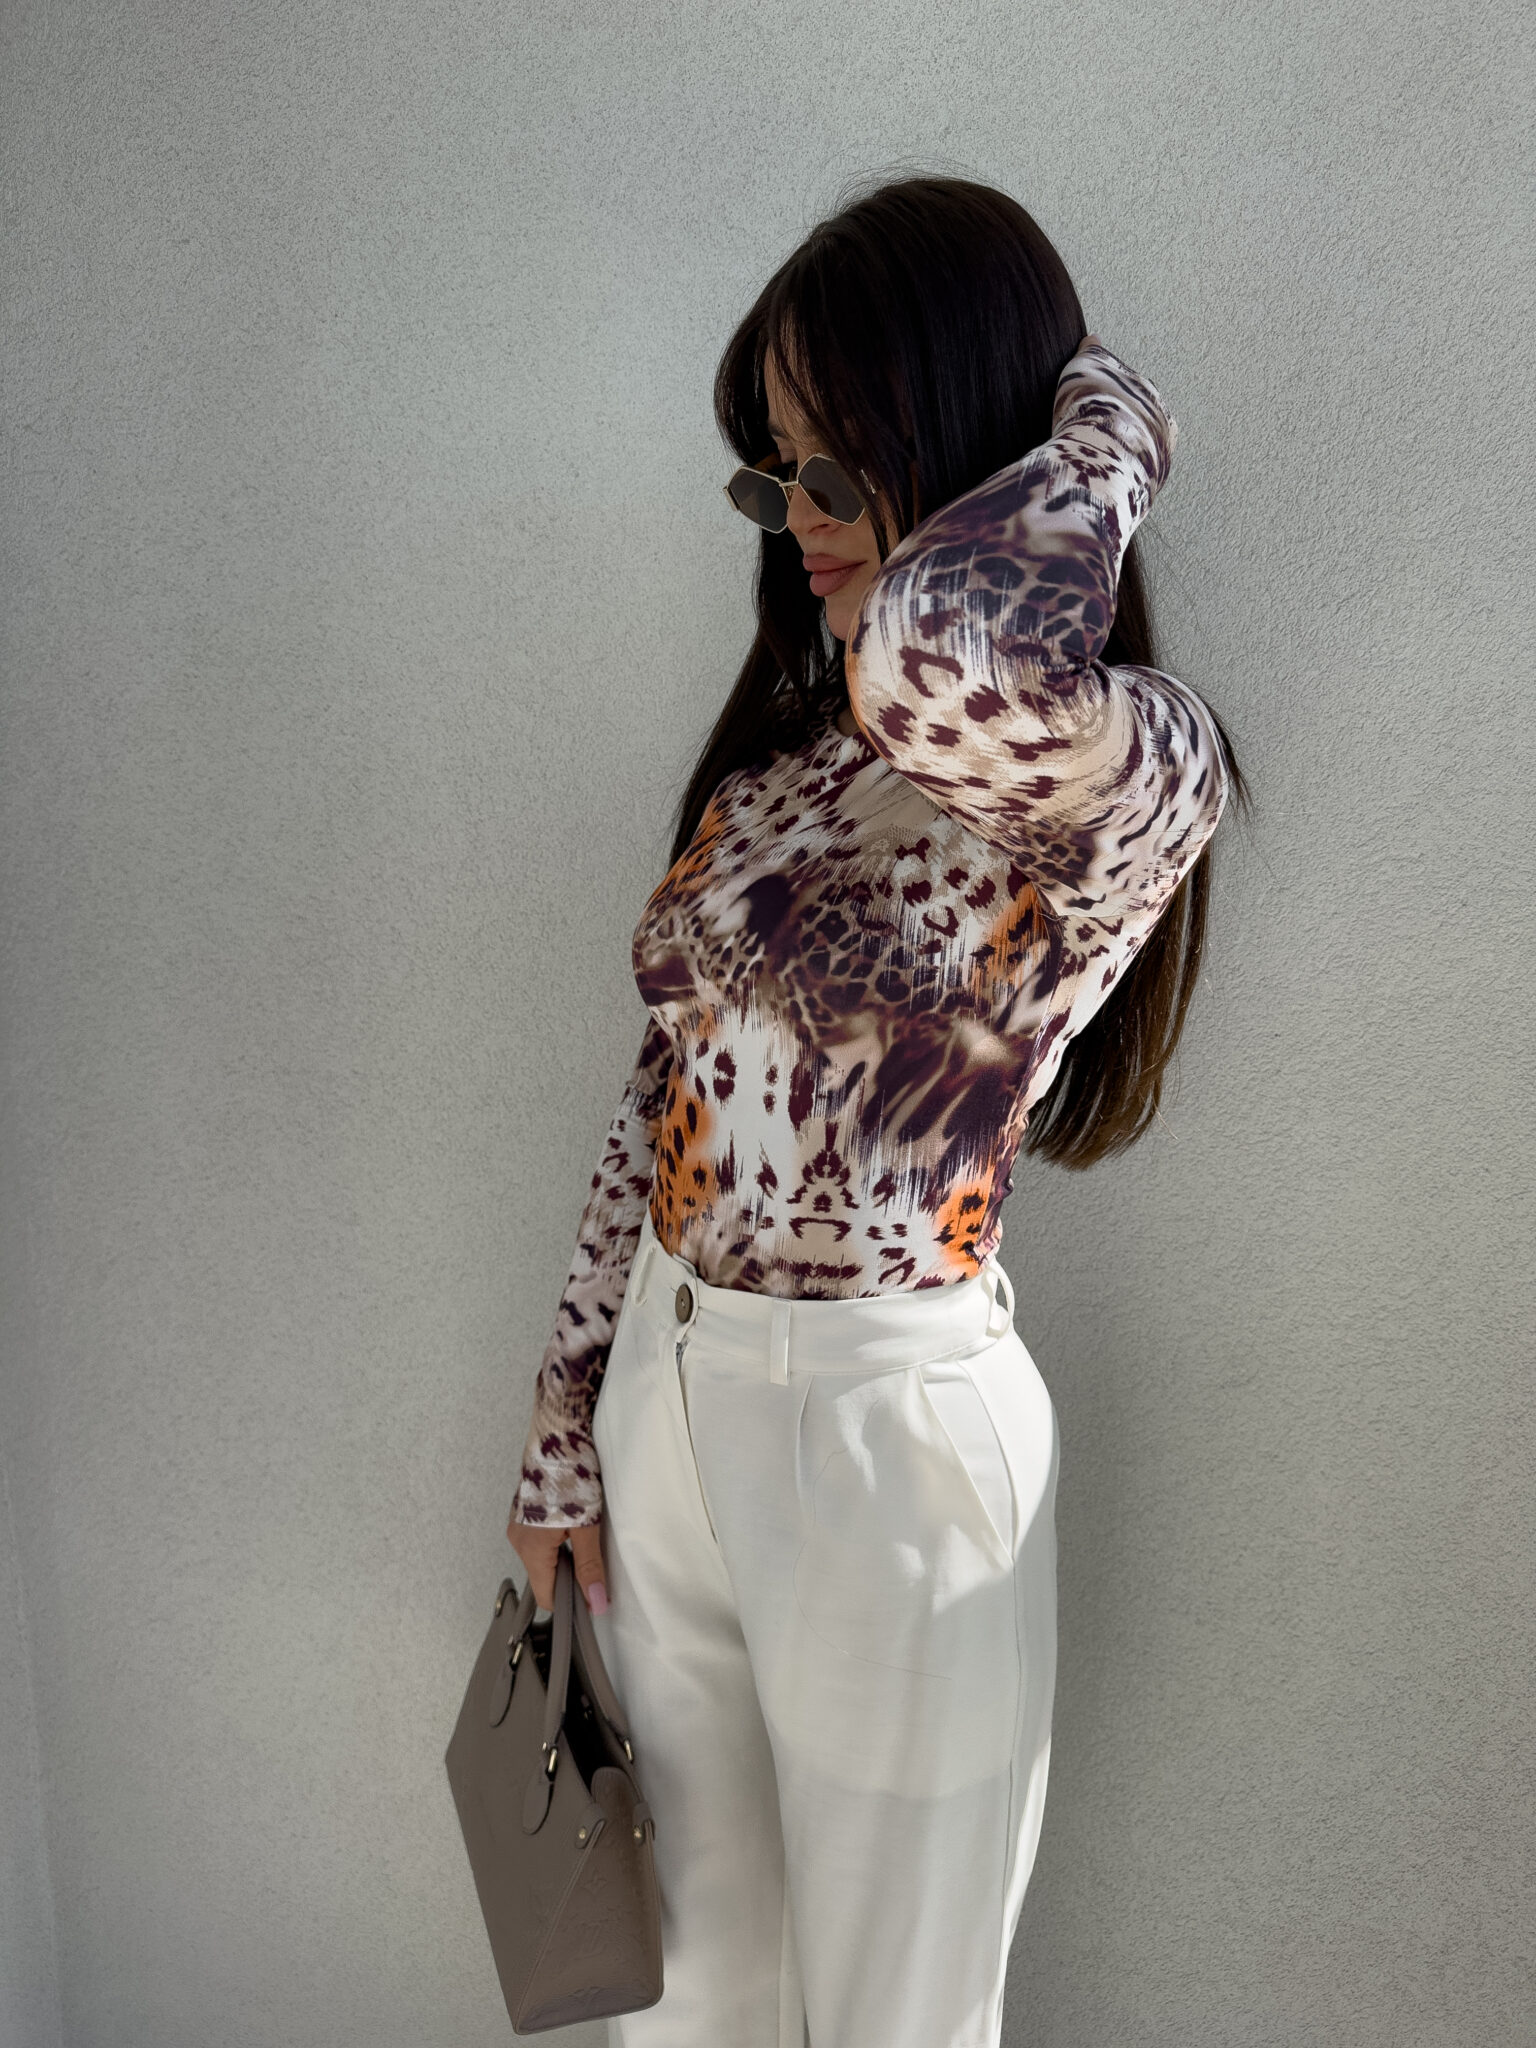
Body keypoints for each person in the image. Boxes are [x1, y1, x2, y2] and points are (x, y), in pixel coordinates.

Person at [505, 172, 1244, 2048]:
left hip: (889, 1435)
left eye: (841, 467)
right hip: (670, 1388)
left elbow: (942, 660)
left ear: (985, 462)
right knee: (679, 2006)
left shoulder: (1119, 770)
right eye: (777, 475)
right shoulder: (776, 768)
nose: (806, 522)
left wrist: (1117, 428)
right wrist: (565, 1416)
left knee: (898, 2020)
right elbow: (661, 1097)